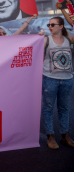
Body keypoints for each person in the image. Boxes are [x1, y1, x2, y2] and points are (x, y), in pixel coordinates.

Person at [42, 16, 74, 149]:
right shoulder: (46, 40)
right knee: (48, 108)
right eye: (49, 25)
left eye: (53, 24)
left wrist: (72, 21)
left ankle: (65, 135)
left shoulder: (69, 39)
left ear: (61, 26)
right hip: (50, 79)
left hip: (67, 79)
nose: (50, 27)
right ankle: (50, 136)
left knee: (64, 108)